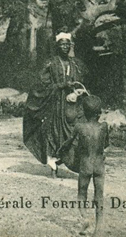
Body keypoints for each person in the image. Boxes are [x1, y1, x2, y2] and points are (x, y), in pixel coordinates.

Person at [23, 32, 86, 176]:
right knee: (54, 133)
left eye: (67, 45)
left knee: (73, 131)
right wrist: (62, 85)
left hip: (72, 103)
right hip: (55, 103)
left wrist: (77, 91)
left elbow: (82, 82)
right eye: (62, 45)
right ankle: (53, 165)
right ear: (57, 47)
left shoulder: (75, 63)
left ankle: (64, 160)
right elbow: (42, 85)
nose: (65, 47)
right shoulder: (50, 63)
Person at [69, 95, 108, 236]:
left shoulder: (79, 127)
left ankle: (85, 219)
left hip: (85, 165)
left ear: (84, 112)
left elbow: (70, 143)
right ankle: (99, 228)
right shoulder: (104, 127)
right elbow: (106, 145)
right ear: (99, 113)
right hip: (99, 165)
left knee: (82, 193)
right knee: (99, 195)